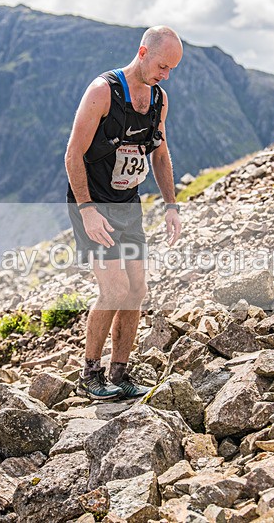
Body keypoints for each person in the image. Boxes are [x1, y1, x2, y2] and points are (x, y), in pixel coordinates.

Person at [65, 26, 183, 400]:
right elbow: (72, 156)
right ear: (143, 52)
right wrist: (86, 210)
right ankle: (90, 374)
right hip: (92, 203)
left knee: (136, 290)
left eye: (171, 71)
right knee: (114, 289)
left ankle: (120, 373)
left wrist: (171, 205)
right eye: (162, 66)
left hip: (127, 204)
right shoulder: (103, 92)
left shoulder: (159, 100)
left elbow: (160, 154)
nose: (164, 76)